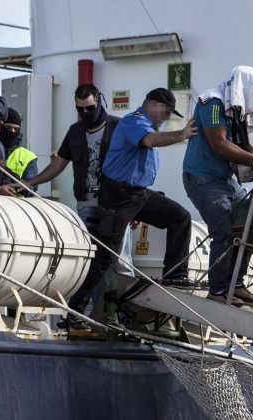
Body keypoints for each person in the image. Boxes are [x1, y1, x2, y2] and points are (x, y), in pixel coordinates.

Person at [66, 87, 198, 318]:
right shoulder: (134, 122)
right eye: (167, 113)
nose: (167, 119)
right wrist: (181, 135)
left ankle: (175, 275)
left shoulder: (146, 125)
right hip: (117, 198)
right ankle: (75, 314)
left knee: (180, 217)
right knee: (106, 258)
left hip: (137, 195)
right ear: (154, 105)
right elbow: (149, 141)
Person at [9, 84, 134, 322]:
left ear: (100, 100)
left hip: (116, 206)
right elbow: (58, 165)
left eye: (90, 108)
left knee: (121, 263)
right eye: (80, 109)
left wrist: (137, 205)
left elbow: (136, 165)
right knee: (93, 264)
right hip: (87, 206)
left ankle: (127, 317)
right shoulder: (75, 132)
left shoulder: (119, 127)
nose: (86, 113)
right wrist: (28, 183)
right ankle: (100, 317)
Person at [182, 65, 253, 306]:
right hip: (203, 178)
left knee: (247, 225)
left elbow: (244, 145)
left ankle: (236, 286)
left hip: (225, 179)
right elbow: (219, 144)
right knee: (225, 232)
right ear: (243, 88)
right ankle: (218, 291)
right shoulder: (213, 103)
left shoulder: (234, 109)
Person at [0, 107, 38, 193]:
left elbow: (31, 190)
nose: (12, 132)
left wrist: (11, 177)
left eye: (16, 129)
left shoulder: (29, 157)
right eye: (8, 128)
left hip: (16, 204)